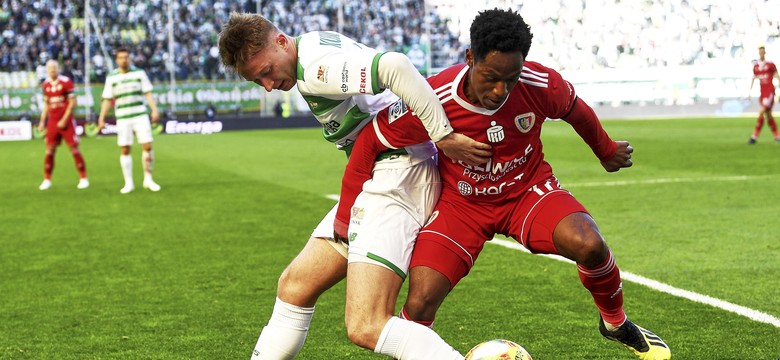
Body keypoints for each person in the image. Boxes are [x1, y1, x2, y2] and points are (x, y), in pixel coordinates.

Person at [338, 8, 671, 360]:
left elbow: (576, 110)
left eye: (511, 79)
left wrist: (605, 151)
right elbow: (371, 139)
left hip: (527, 193)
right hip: (461, 206)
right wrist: (346, 215)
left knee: (589, 244)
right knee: (419, 303)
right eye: (492, 77)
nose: (501, 90)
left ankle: (616, 323)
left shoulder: (538, 83)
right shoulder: (433, 96)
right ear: (470, 58)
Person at [217, 12, 491, 360]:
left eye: (267, 72)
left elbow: (395, 67)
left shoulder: (316, 71)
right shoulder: (312, 43)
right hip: (379, 175)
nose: (269, 86)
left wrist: (442, 134)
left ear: (281, 41)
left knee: (366, 324)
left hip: (397, 175)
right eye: (259, 82)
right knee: (295, 286)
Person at [96, 48, 162, 194]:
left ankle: (148, 179)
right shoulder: (112, 77)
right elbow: (107, 99)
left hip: (140, 115)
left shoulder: (139, 73)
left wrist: (154, 110)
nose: (124, 60)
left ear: (129, 58)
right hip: (123, 117)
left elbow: (148, 93)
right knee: (125, 149)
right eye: (121, 57)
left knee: (147, 146)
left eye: (126, 57)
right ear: (117, 60)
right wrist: (101, 118)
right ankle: (129, 183)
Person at [37, 59, 89, 191]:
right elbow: (46, 105)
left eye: (54, 68)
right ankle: (47, 179)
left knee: (74, 149)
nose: (52, 70)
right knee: (49, 150)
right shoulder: (46, 85)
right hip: (53, 121)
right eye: (50, 68)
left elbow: (72, 102)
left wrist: (64, 119)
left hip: (66, 121)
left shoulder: (66, 82)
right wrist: (42, 121)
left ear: (58, 68)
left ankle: (83, 178)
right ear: (47, 70)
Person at [747, 46, 780, 144]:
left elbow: (777, 77)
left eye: (762, 51)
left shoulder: (770, 65)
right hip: (762, 94)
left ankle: (754, 137)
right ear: (758, 53)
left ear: (765, 52)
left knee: (761, 112)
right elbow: (753, 79)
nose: (761, 53)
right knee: (768, 115)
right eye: (759, 51)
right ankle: (777, 136)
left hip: (770, 92)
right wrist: (749, 92)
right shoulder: (756, 67)